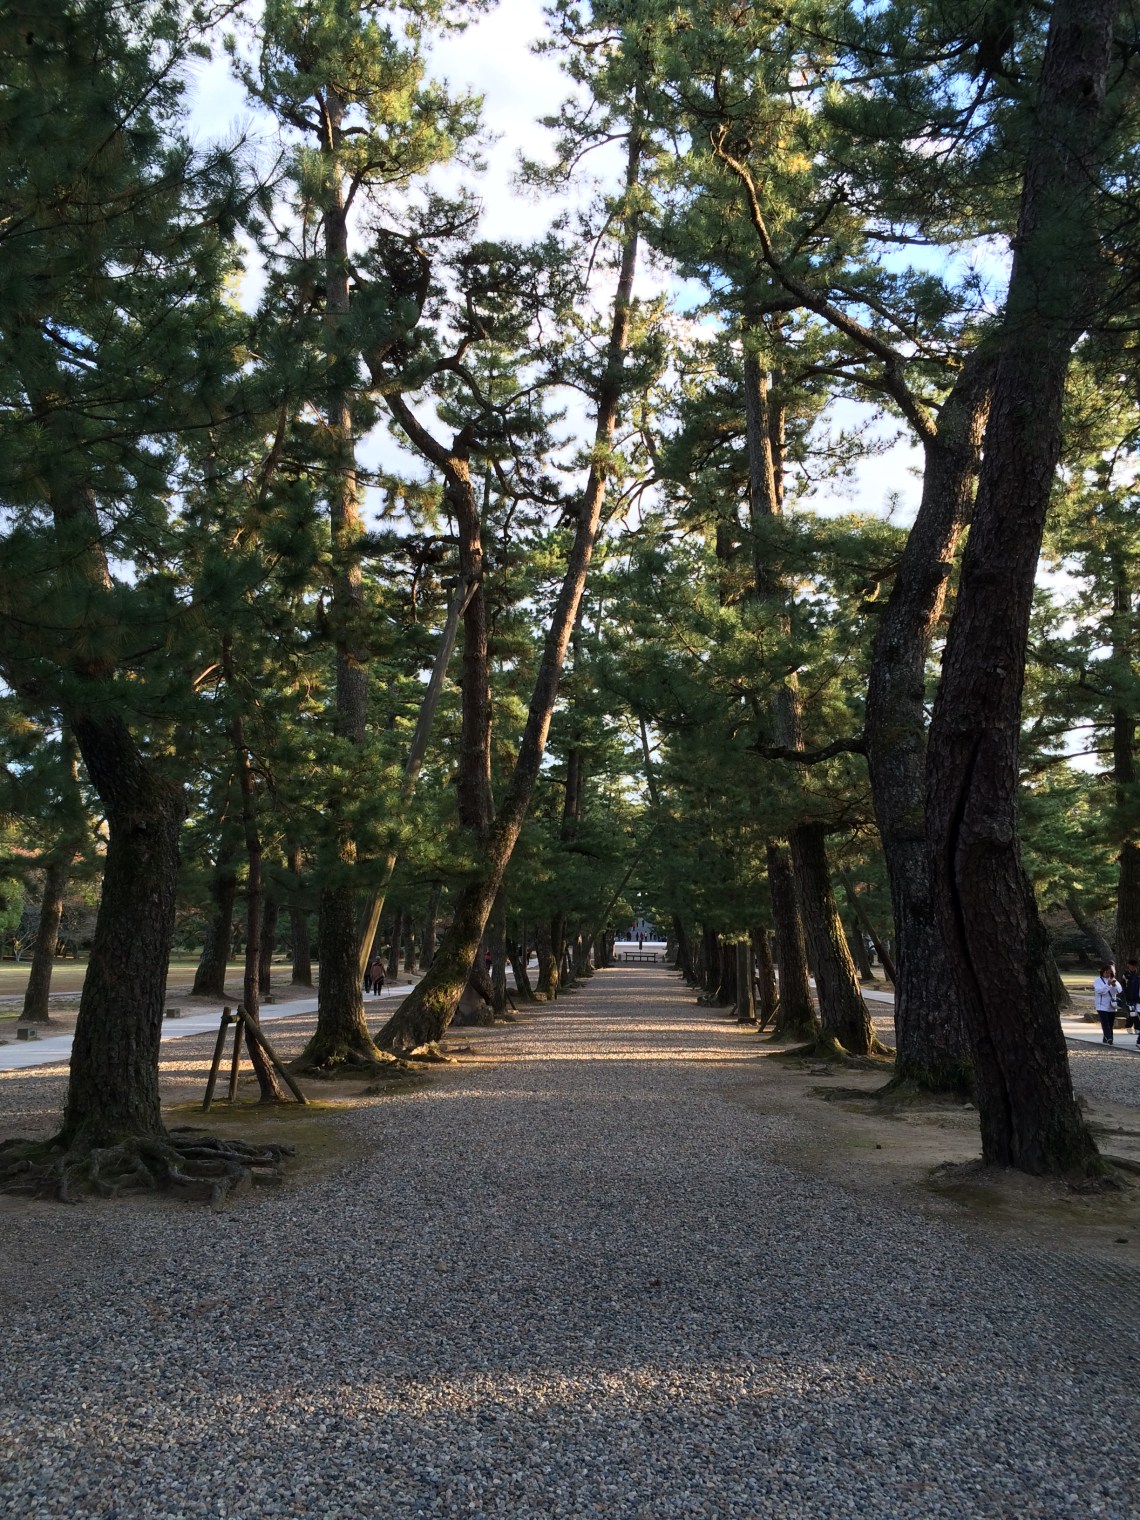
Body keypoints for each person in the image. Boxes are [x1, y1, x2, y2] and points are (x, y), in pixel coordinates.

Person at [1093, 962, 1122, 1045]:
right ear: (1103, 971)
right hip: (1101, 1006)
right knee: (1105, 1023)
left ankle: (1106, 1039)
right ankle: (1109, 1038)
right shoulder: (1097, 980)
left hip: (1112, 1006)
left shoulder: (1114, 980)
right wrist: (1108, 985)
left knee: (1110, 1023)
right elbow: (1100, 991)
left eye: (1110, 973)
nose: (1108, 974)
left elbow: (1119, 990)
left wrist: (1114, 984)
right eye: (1107, 972)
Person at [1124, 958, 1140, 1042]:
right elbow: (1123, 986)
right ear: (1128, 966)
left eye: (1134, 966)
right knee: (1132, 1013)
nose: (1132, 967)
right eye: (1131, 966)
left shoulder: (1138, 975)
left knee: (1136, 1013)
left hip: (1136, 996)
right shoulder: (1126, 975)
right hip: (1129, 996)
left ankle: (1137, 1028)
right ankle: (1128, 1026)